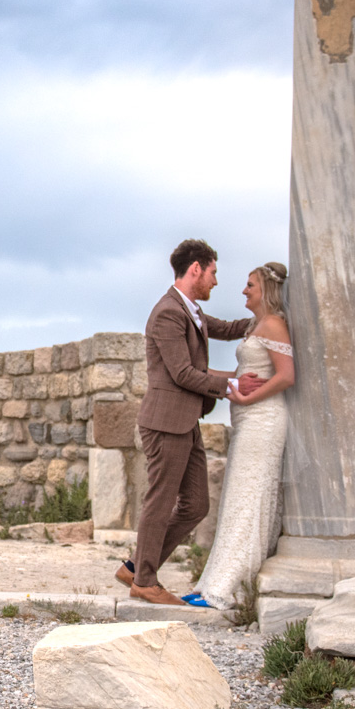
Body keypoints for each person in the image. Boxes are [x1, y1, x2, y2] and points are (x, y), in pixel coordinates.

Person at [119, 240, 264, 606]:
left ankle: (136, 566)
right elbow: (183, 373)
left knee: (196, 504)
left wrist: (269, 315)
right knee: (161, 499)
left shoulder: (191, 311)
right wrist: (232, 385)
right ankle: (145, 580)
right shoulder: (168, 312)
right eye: (213, 272)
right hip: (165, 422)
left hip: (185, 421)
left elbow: (231, 328)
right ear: (196, 268)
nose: (216, 281)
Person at [191, 262, 295, 613]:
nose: (243, 291)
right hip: (247, 419)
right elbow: (244, 372)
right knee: (238, 496)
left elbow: (286, 375)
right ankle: (212, 582)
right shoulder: (256, 326)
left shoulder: (275, 325)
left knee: (249, 497)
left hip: (264, 418)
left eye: (250, 285)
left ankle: (227, 586)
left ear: (265, 289)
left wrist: (248, 397)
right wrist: (211, 379)